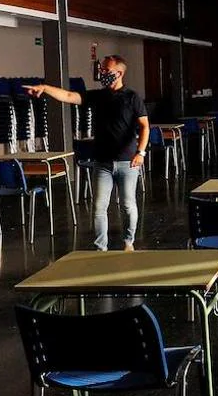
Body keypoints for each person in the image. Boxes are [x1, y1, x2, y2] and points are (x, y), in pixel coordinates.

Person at [23, 55, 149, 251]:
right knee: (99, 208)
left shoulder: (132, 98)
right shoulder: (98, 96)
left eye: (107, 71)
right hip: (102, 162)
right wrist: (45, 88)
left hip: (127, 161)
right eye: (103, 70)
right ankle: (101, 249)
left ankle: (128, 241)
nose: (103, 74)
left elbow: (145, 127)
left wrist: (141, 152)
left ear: (120, 73)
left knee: (127, 205)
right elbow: (68, 96)